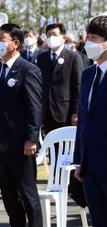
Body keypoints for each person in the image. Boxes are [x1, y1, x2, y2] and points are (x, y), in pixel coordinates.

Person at [0, 23, 43, 227]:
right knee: (10, 198)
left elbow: (34, 107)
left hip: (21, 144)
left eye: (2, 39)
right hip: (1, 144)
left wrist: (31, 138)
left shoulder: (28, 70)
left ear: (15, 43)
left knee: (28, 196)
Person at [73, 15, 107, 226]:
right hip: (89, 164)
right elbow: (83, 121)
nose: (88, 43)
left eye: (94, 38)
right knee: (98, 218)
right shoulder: (88, 75)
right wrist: (79, 160)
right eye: (88, 37)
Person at [36, 23, 83, 134]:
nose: (52, 37)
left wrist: (76, 112)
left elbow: (78, 86)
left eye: (55, 34)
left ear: (63, 37)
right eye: (49, 35)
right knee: (50, 147)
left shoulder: (73, 57)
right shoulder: (41, 58)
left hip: (65, 112)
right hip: (46, 112)